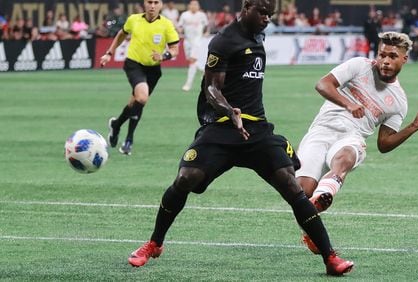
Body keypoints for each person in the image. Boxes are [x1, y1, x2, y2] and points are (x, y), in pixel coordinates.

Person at [127, 0, 354, 276]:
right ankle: (154, 243)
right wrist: (228, 111)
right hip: (222, 127)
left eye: (270, 14)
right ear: (246, 8)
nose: (267, 19)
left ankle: (330, 257)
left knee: (292, 187)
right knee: (185, 179)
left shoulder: (258, 35)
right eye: (262, 12)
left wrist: (245, 117)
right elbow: (211, 88)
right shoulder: (224, 41)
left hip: (256, 130)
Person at [295, 32, 418, 254]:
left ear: (404, 59)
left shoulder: (399, 101)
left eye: (392, 56)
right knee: (301, 192)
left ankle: (324, 197)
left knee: (347, 156)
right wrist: (348, 104)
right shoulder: (359, 66)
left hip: (352, 137)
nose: (386, 61)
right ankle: (312, 222)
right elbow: (323, 84)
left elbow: (384, 143)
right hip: (321, 130)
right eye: (382, 55)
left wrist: (414, 126)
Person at [100, 0, 180, 155]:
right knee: (142, 98)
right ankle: (129, 140)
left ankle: (116, 124)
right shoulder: (133, 20)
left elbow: (175, 48)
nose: (152, 5)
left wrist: (164, 56)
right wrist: (109, 53)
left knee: (135, 102)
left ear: (160, 5)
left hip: (153, 69)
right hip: (134, 64)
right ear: (144, 4)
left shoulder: (166, 25)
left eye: (156, 2)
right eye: (149, 2)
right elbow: (121, 34)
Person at [177, 0, 209, 92]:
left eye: (196, 4)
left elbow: (206, 26)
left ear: (198, 6)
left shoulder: (201, 15)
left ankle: (188, 84)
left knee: (192, 61)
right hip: (187, 41)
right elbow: (180, 26)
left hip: (197, 41)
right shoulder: (185, 15)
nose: (194, 6)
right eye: (192, 4)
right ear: (189, 6)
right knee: (193, 61)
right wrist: (179, 30)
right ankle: (204, 71)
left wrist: (206, 32)